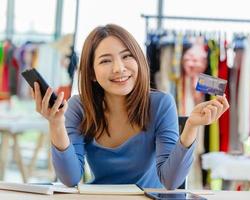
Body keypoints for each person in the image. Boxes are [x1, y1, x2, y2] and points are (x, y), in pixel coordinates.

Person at [32, 24, 229, 190]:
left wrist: (191, 126)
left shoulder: (161, 103)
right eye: (105, 60)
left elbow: (170, 181)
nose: (119, 68)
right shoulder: (79, 107)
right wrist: (56, 125)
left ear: (139, 60)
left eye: (127, 56)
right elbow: (70, 179)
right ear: (91, 73)